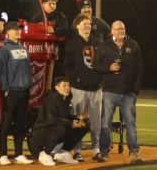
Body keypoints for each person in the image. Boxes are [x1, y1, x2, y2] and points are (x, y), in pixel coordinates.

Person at [94, 20, 143, 163]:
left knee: (130, 123)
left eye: (122, 28)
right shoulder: (104, 46)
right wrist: (108, 68)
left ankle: (134, 152)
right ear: (112, 31)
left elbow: (140, 69)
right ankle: (104, 152)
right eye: (117, 29)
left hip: (128, 93)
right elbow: (96, 65)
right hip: (110, 91)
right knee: (105, 123)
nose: (121, 31)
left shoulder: (133, 45)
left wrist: (135, 91)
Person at [63, 14, 103, 162]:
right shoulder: (72, 44)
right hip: (78, 89)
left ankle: (96, 150)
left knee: (96, 121)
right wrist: (76, 78)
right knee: (78, 120)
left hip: (96, 88)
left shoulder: (98, 42)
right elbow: (66, 65)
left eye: (89, 23)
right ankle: (77, 150)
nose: (87, 26)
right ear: (77, 26)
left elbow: (103, 64)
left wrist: (101, 78)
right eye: (84, 23)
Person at [0, 21, 33, 165]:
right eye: (15, 29)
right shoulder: (4, 49)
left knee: (20, 124)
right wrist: (6, 89)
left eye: (19, 29)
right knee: (5, 124)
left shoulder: (23, 48)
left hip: (24, 91)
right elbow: (1, 71)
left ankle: (18, 154)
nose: (18, 31)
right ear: (8, 32)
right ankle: (3, 155)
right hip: (11, 92)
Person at [31, 76, 88, 166]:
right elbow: (51, 120)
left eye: (68, 86)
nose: (67, 88)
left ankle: (62, 153)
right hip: (39, 135)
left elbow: (65, 117)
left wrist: (77, 118)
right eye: (64, 86)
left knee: (84, 126)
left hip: (53, 130)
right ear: (57, 87)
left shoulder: (65, 99)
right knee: (62, 128)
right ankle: (45, 154)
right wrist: (71, 123)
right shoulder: (52, 99)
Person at [32, 0, 68, 79]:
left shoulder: (60, 16)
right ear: (43, 4)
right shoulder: (36, 17)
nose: (52, 6)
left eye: (54, 3)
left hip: (57, 51)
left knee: (57, 73)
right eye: (49, 3)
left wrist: (53, 30)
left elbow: (65, 29)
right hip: (41, 51)